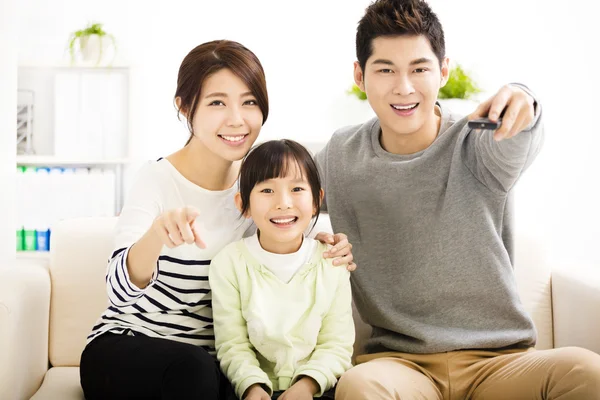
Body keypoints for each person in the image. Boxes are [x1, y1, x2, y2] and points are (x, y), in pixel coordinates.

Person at [313, 0, 600, 398]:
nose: (404, 87)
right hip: (401, 366)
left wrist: (524, 98)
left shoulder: (477, 142)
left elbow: (519, 135)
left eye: (419, 68)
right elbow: (275, 192)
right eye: (385, 70)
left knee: (587, 370)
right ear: (360, 75)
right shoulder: (340, 155)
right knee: (359, 386)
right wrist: (308, 244)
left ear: (443, 70)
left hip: (500, 362)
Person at [79, 40, 354, 400]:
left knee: (220, 377)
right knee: (194, 371)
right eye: (217, 103)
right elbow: (117, 292)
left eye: (249, 102)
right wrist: (156, 235)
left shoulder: (258, 187)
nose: (237, 119)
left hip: (214, 364)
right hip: (129, 346)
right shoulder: (157, 179)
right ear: (185, 107)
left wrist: (327, 243)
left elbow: (293, 225)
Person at [209, 139, 354, 400]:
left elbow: (336, 345)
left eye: (297, 188)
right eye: (267, 191)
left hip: (320, 386)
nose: (283, 202)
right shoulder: (229, 263)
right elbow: (233, 345)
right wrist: (252, 386)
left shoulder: (332, 261)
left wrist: (307, 385)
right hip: (251, 388)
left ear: (316, 201)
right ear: (244, 204)